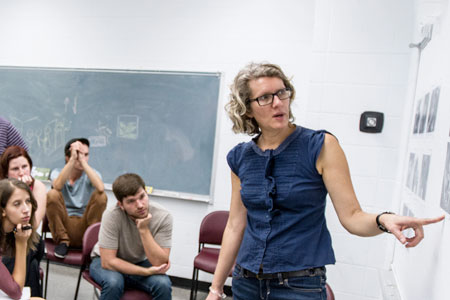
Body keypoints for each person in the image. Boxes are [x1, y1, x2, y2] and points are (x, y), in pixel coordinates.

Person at [206, 62, 445, 300]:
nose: (278, 103)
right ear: (247, 109)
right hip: (246, 284)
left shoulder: (320, 146)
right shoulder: (240, 157)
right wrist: (216, 289)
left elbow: (352, 217)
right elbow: (235, 225)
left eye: (282, 93)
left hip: (299, 286)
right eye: (265, 98)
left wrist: (384, 220)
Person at [90, 173, 172, 300]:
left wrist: (144, 230)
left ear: (146, 192)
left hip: (138, 261)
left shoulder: (163, 216)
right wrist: (146, 272)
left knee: (163, 284)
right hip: (103, 262)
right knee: (114, 283)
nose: (140, 205)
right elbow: (108, 262)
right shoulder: (111, 216)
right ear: (120, 205)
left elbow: (160, 263)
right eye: (131, 201)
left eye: (142, 197)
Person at [46, 137, 107, 258]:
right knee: (52, 194)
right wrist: (73, 160)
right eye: (79, 154)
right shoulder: (57, 172)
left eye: (86, 154)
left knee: (101, 196)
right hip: (63, 227)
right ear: (67, 157)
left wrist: (83, 162)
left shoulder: (92, 173)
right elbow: (57, 186)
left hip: (85, 227)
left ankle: (90, 242)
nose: (82, 157)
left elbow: (100, 188)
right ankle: (63, 242)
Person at [0, 146, 46, 297]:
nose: (26, 209)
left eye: (25, 166)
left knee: (34, 250)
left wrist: (27, 189)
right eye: (17, 204)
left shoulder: (37, 186)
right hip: (18, 245)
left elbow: (32, 225)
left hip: (23, 239)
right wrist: (21, 244)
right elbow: (15, 292)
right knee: (31, 265)